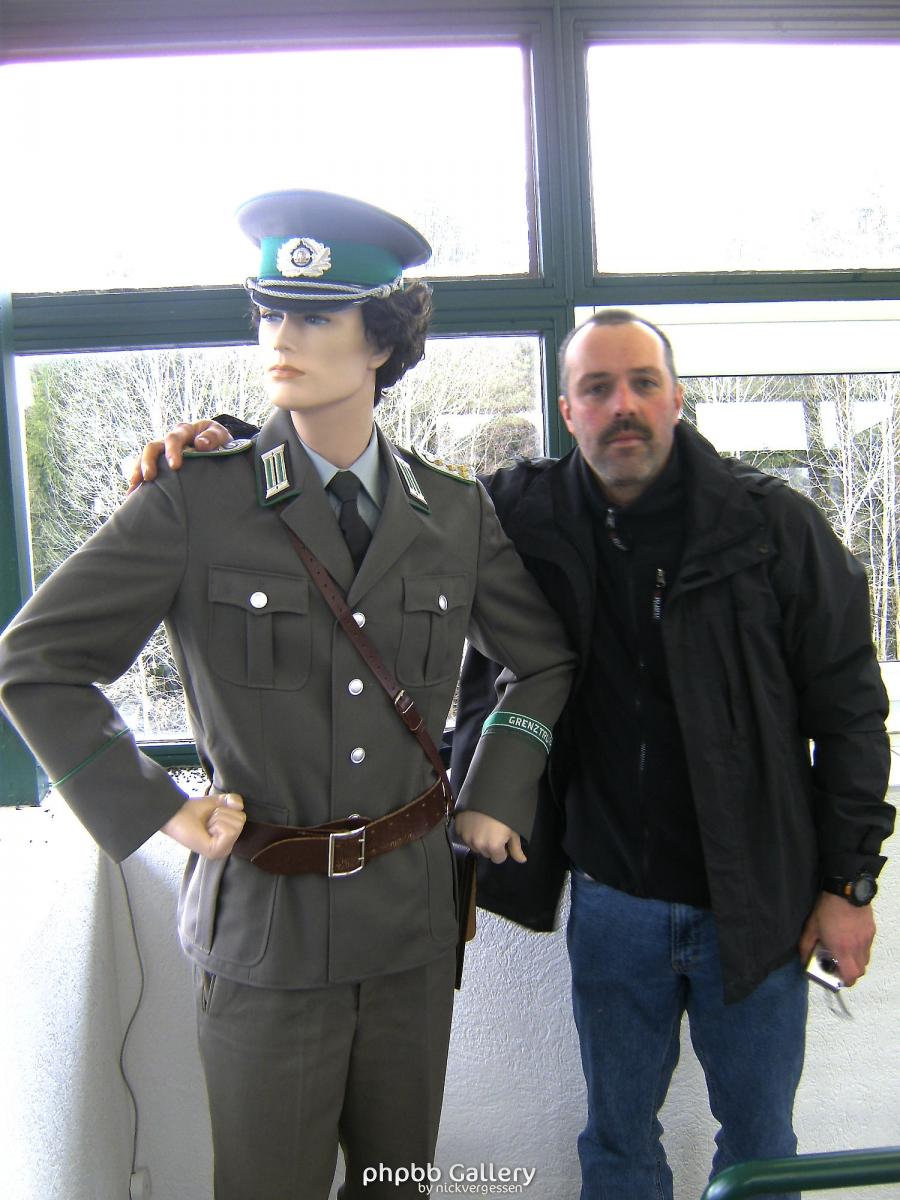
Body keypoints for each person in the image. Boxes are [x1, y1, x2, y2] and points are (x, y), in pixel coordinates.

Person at [155, 309, 896, 1200]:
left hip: (763, 900)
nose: (622, 406)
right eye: (597, 389)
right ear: (568, 409)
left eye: (643, 384)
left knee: (762, 1146)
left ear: (677, 398)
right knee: (617, 1142)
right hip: (615, 899)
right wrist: (235, 444)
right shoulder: (526, 509)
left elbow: (852, 713)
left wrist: (849, 883)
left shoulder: (775, 527)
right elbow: (369, 485)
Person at [0, 190, 575, 1200]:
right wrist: (160, 808)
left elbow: (543, 662)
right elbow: (33, 662)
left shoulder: (453, 512)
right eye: (270, 312)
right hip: (265, 928)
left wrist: (495, 790)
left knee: (398, 1183)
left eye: (315, 315)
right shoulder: (196, 499)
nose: (281, 337)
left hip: (408, 926)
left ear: (380, 342)